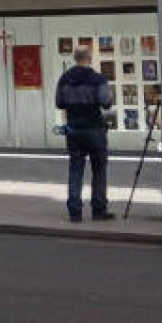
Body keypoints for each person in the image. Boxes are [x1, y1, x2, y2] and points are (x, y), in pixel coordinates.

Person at [55, 46, 115, 222]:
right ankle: (98, 209)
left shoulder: (64, 79)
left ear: (75, 58)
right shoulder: (97, 78)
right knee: (99, 170)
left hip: (74, 129)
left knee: (75, 169)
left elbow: (59, 103)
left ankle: (75, 211)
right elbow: (106, 102)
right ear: (89, 57)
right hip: (95, 129)